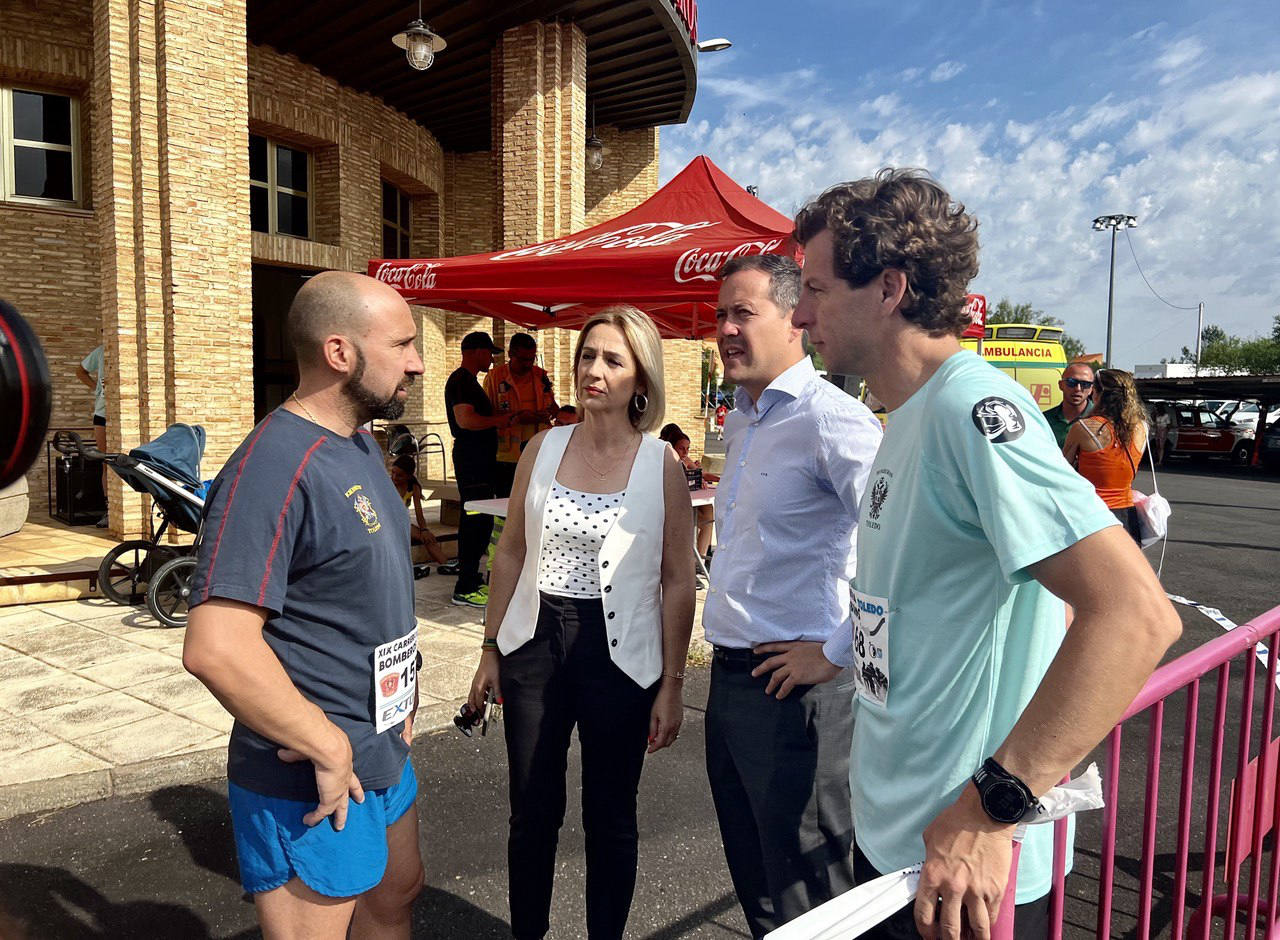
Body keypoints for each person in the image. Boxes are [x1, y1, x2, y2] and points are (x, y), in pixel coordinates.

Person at [789, 168, 1180, 940]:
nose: (799, 314)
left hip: (960, 876)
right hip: (901, 847)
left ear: (888, 290)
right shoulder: (905, 415)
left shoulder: (972, 409)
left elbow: (1135, 617)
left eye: (816, 288)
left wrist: (991, 807)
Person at [182, 271, 427, 940]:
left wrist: (401, 698)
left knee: (396, 895)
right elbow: (216, 647)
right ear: (340, 353)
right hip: (314, 779)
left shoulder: (357, 442)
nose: (417, 361)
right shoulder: (271, 467)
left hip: (381, 746)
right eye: (402, 343)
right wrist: (325, 741)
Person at [467, 305, 696, 940]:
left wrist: (672, 684)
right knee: (531, 812)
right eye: (587, 355)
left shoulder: (662, 465)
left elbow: (678, 579)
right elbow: (509, 550)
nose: (592, 370)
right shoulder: (543, 447)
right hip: (534, 641)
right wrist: (490, 648)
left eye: (612, 360)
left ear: (641, 380)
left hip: (620, 654)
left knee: (612, 816)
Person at [702, 254, 882, 938]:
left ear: (794, 321)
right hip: (732, 680)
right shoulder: (744, 418)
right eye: (720, 315)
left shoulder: (834, 421)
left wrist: (836, 651)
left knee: (814, 894)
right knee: (758, 880)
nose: (724, 329)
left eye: (742, 313)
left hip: (796, 691)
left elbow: (900, 547)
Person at [445, 331, 509, 609]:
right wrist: (499, 420)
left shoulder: (469, 382)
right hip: (472, 460)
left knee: (481, 522)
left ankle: (472, 579)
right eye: (489, 352)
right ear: (474, 351)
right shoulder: (461, 380)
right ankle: (465, 587)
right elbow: (466, 420)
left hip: (480, 460)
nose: (492, 359)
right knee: (474, 521)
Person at [1063, 369, 1149, 544]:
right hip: (1127, 514)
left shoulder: (1084, 428)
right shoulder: (1142, 427)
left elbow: (1062, 470)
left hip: (1091, 513)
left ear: (1096, 393)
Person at [485, 332, 559, 498]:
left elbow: (554, 408)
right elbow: (489, 415)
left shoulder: (540, 376)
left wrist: (549, 413)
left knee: (536, 500)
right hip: (507, 455)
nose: (527, 364)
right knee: (507, 502)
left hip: (539, 452)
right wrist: (518, 418)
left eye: (531, 359)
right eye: (523, 359)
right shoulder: (494, 377)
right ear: (510, 354)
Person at [388, 454, 459, 577]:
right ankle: (405, 569)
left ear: (409, 476)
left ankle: (446, 564)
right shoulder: (387, 485)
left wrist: (424, 529)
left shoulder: (413, 488)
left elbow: (419, 513)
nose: (394, 477)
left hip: (401, 522)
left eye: (399, 475)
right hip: (386, 523)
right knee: (403, 530)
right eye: (393, 473)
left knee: (427, 537)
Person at [658, 425, 716, 562]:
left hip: (688, 501)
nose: (685, 452)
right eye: (681, 448)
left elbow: (700, 473)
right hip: (671, 504)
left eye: (687, 448)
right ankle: (698, 557)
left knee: (708, 510)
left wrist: (720, 478)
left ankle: (701, 557)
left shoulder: (685, 459)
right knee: (705, 513)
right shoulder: (665, 459)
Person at [75, 341, 109, 526]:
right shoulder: (100, 352)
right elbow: (80, 371)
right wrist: (97, 387)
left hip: (124, 415)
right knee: (106, 461)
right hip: (102, 414)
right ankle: (109, 510)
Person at [1042, 361, 1095, 448]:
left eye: (1085, 384)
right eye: (1071, 382)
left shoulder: (1102, 420)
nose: (1078, 389)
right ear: (1061, 385)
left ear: (1091, 389)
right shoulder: (1045, 420)